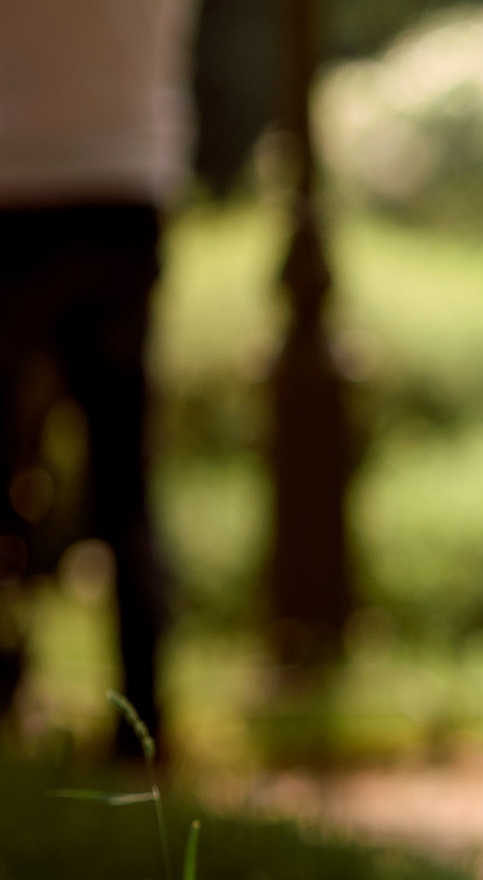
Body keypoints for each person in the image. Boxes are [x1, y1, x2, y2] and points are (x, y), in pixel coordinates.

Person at [0, 0, 198, 755]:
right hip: (125, 189)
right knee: (126, 480)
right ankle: (143, 719)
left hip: (13, 187)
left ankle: (10, 685)